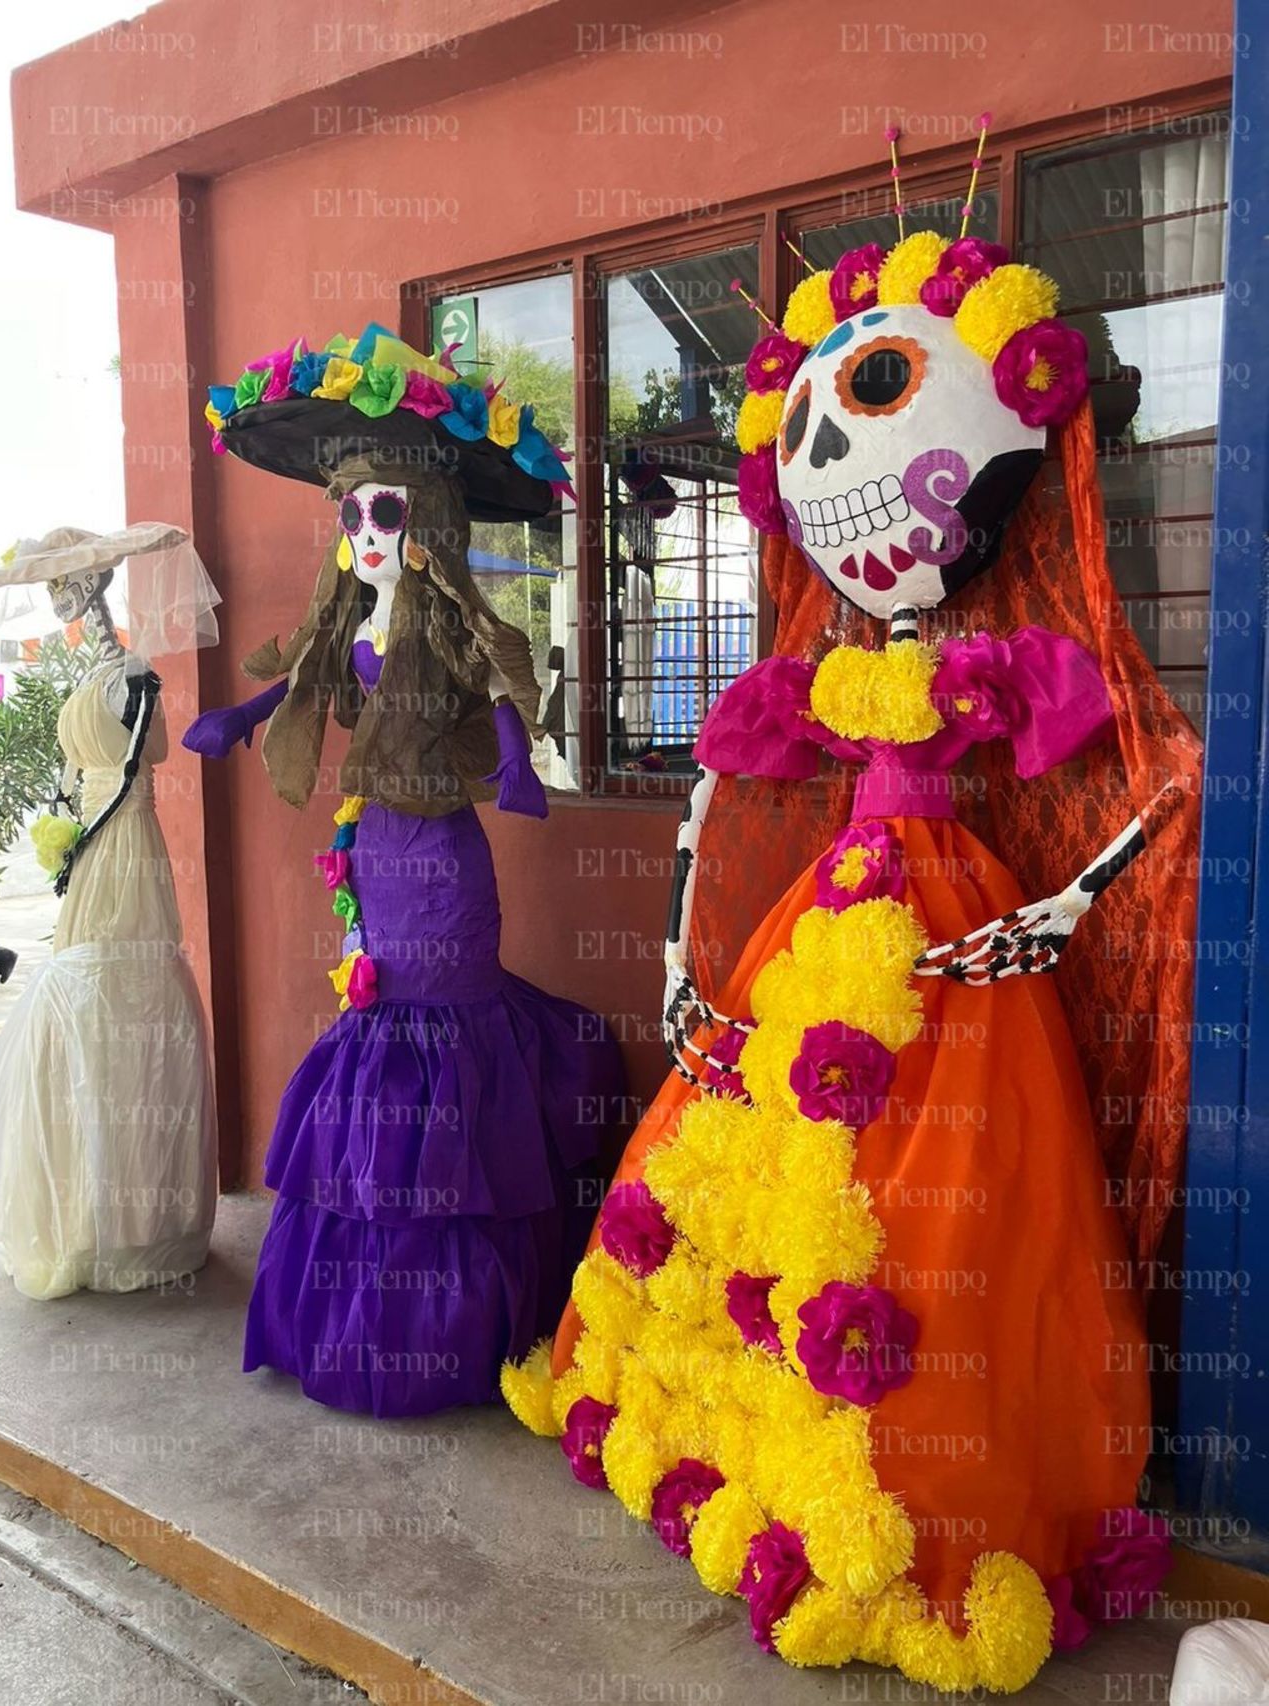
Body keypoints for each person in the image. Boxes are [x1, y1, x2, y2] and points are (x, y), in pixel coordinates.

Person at [502, 188, 1199, 1690]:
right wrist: (686, 956)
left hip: (955, 915)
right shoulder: (818, 675)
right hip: (833, 913)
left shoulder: (998, 665)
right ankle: (773, 1433)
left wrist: (1066, 907)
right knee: (784, 1161)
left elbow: (1131, 768)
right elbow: (715, 791)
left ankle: (923, 1480)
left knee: (958, 1190)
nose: (831, 465)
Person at [187, 327, 624, 1416]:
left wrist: (521, 764)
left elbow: (501, 667)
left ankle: (458, 1323)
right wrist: (242, 714)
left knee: (437, 1038)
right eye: (351, 513)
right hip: (372, 851)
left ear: (422, 520)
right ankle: (363, 1310)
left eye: (385, 511)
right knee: (377, 1028)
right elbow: (301, 671)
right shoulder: (350, 611)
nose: (366, 532)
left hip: (443, 859)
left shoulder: (444, 612)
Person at [0, 525, 221, 1299]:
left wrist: (83, 839)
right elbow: (71, 773)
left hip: (122, 845)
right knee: (84, 1007)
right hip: (88, 848)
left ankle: (142, 1218)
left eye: (69, 593)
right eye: (56, 595)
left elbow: (131, 771)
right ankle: (92, 1210)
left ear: (93, 591)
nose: (62, 607)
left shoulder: (130, 670)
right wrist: (56, 838)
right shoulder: (89, 671)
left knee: (128, 993)